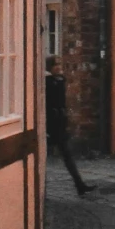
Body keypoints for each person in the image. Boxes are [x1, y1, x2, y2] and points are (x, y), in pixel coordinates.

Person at [44, 61, 87, 196]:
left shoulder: (59, 81)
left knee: (67, 154)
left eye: (60, 65)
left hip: (59, 123)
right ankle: (42, 189)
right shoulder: (48, 82)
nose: (59, 68)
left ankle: (79, 184)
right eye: (56, 65)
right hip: (50, 123)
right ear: (49, 68)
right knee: (44, 157)